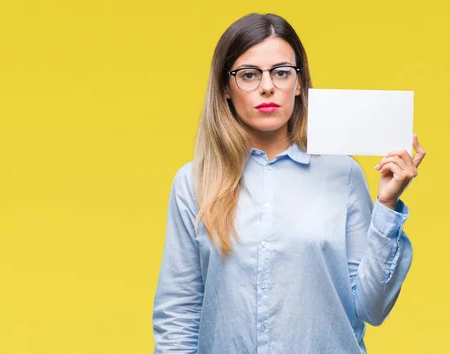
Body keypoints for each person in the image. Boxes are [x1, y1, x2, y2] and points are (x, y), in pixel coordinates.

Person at [152, 12, 426, 354]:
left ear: (298, 84)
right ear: (225, 87)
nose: (267, 86)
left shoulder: (343, 174)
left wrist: (386, 206)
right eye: (249, 75)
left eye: (281, 72)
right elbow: (178, 314)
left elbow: (373, 308)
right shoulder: (193, 182)